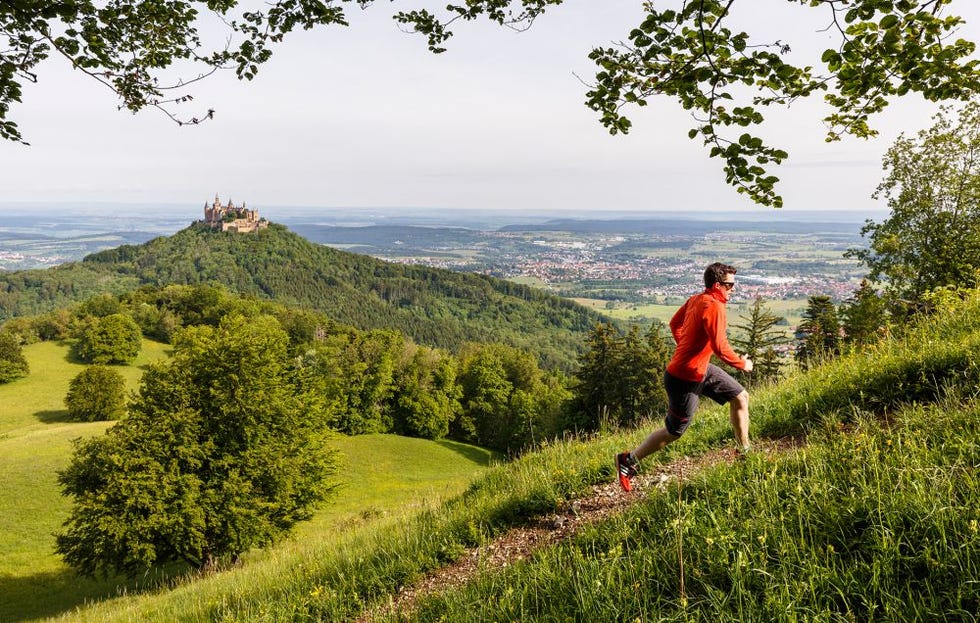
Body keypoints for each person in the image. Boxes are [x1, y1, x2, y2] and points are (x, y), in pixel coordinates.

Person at [616, 262, 753, 492]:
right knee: (674, 432)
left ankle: (744, 452)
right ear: (718, 285)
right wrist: (743, 364)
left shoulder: (696, 299)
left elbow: (674, 324)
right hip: (683, 378)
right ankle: (628, 460)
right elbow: (720, 347)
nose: (733, 289)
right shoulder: (714, 306)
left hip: (700, 369)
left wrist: (688, 348)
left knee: (740, 397)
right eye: (730, 285)